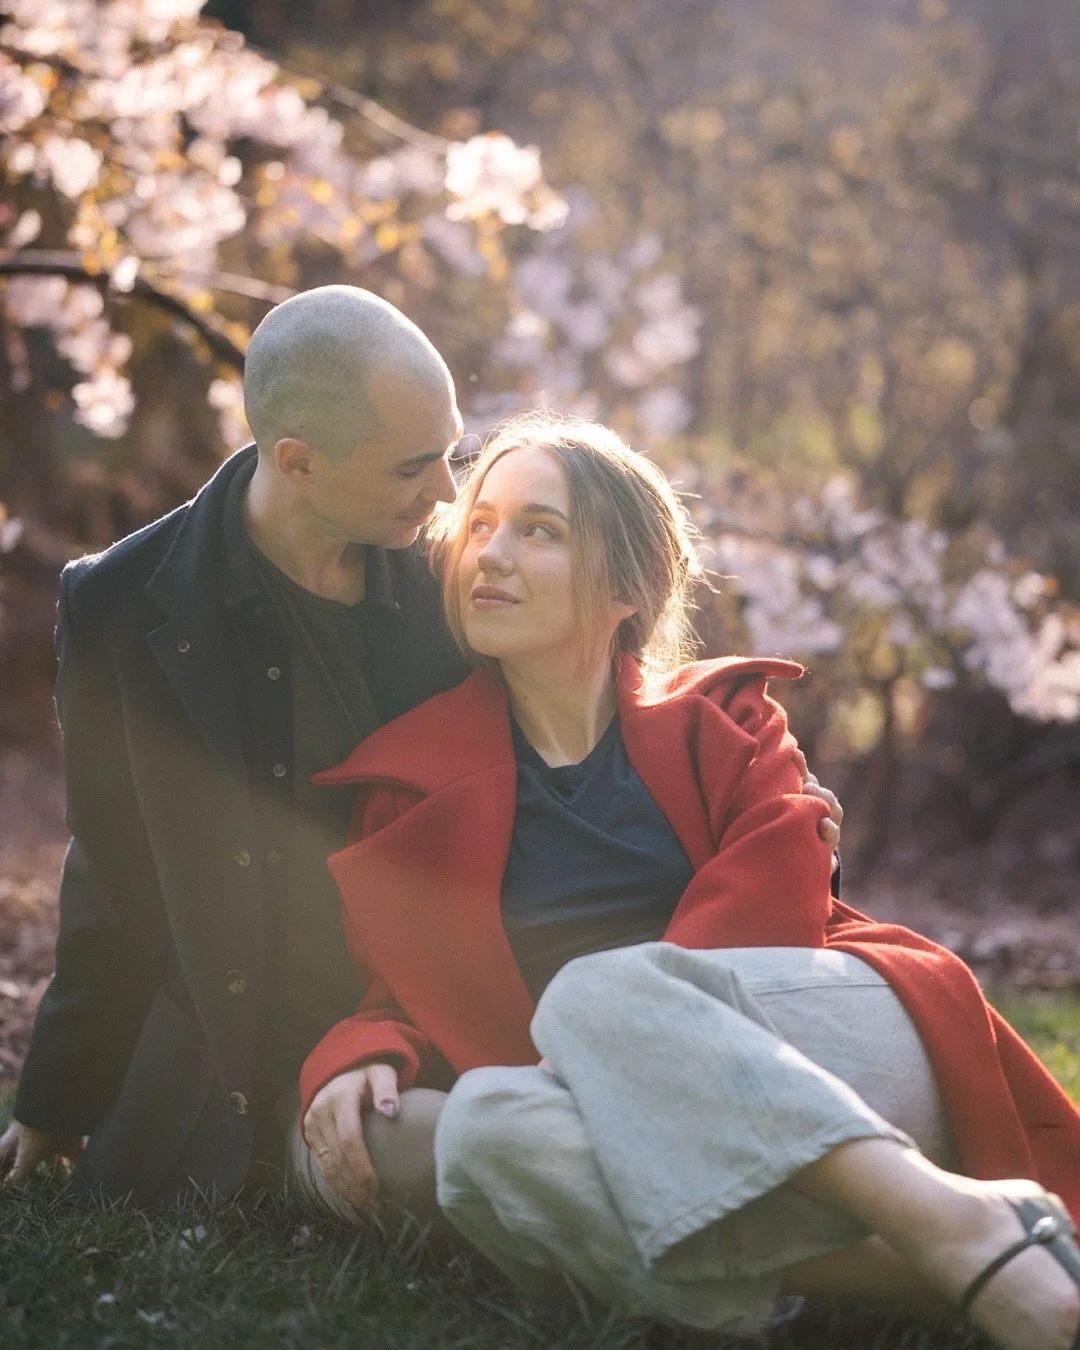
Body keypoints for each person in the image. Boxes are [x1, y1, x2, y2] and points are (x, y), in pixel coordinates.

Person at [296, 414, 1080, 1350]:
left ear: (626, 587)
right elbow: (406, 985)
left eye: (539, 530)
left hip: (823, 1045)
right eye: (481, 525)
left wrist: (612, 1042)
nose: (491, 554)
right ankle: (922, 1267)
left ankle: (937, 1215)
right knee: (481, 1132)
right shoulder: (405, 781)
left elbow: (776, 905)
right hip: (606, 1104)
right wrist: (363, 1049)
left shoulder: (731, 717)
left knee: (600, 992)